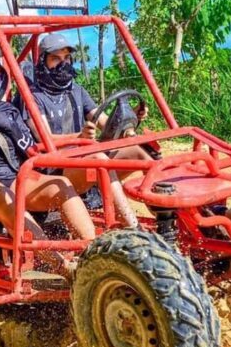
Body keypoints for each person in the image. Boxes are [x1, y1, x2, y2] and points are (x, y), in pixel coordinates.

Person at [0, 16, 96, 252]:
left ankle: (94, 253)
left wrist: (11, 125)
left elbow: (30, 149)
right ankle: (62, 265)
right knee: (7, 199)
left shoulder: (8, 110)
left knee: (61, 184)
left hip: (15, 177)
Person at [15, 34, 145, 226]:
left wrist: (131, 116)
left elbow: (105, 122)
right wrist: (79, 136)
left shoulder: (76, 91)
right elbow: (45, 138)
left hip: (80, 160)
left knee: (140, 151)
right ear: (42, 61)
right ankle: (134, 227)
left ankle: (174, 221)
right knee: (99, 159)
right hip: (52, 169)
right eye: (55, 59)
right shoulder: (33, 97)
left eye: (66, 58)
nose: (63, 64)